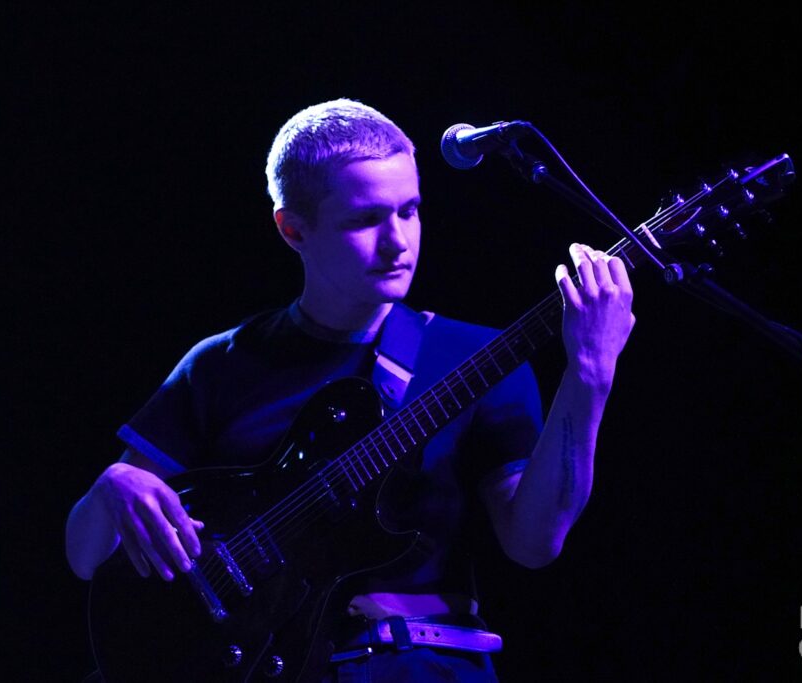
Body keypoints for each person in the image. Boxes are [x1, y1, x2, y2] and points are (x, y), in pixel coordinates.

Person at [65, 99, 636, 681]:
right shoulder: (221, 364)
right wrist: (113, 486)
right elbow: (85, 559)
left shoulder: (476, 356)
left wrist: (590, 374)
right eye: (366, 221)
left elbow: (534, 543)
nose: (398, 242)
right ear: (293, 229)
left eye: (410, 211)